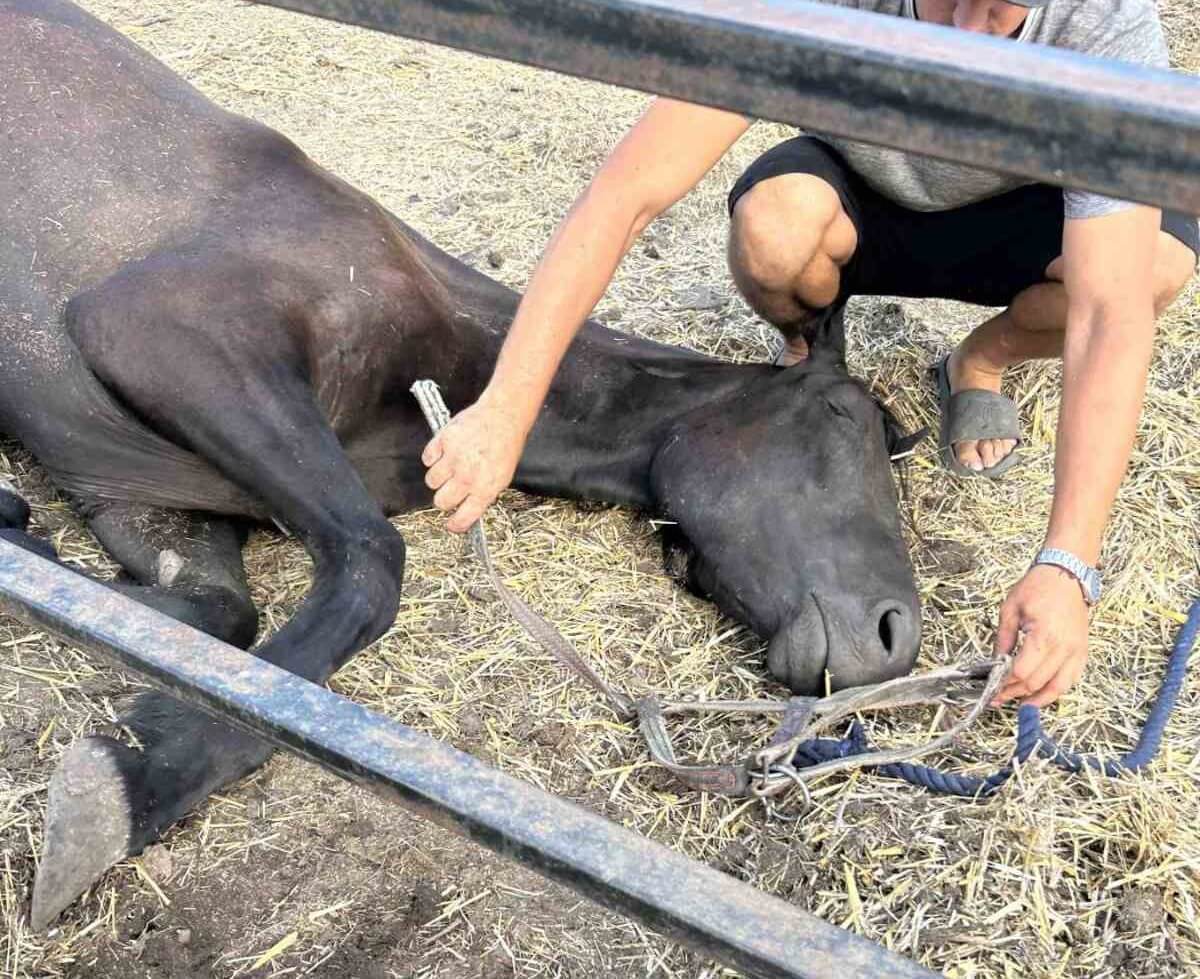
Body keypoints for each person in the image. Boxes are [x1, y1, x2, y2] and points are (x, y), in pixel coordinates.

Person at [421, 0, 1199, 707]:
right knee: (775, 230)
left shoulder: (1105, 24)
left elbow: (1106, 312)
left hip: (1024, 208)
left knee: (1155, 265)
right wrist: (506, 409)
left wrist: (1069, 564)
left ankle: (983, 359)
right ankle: (812, 350)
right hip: (867, 189)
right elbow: (630, 191)